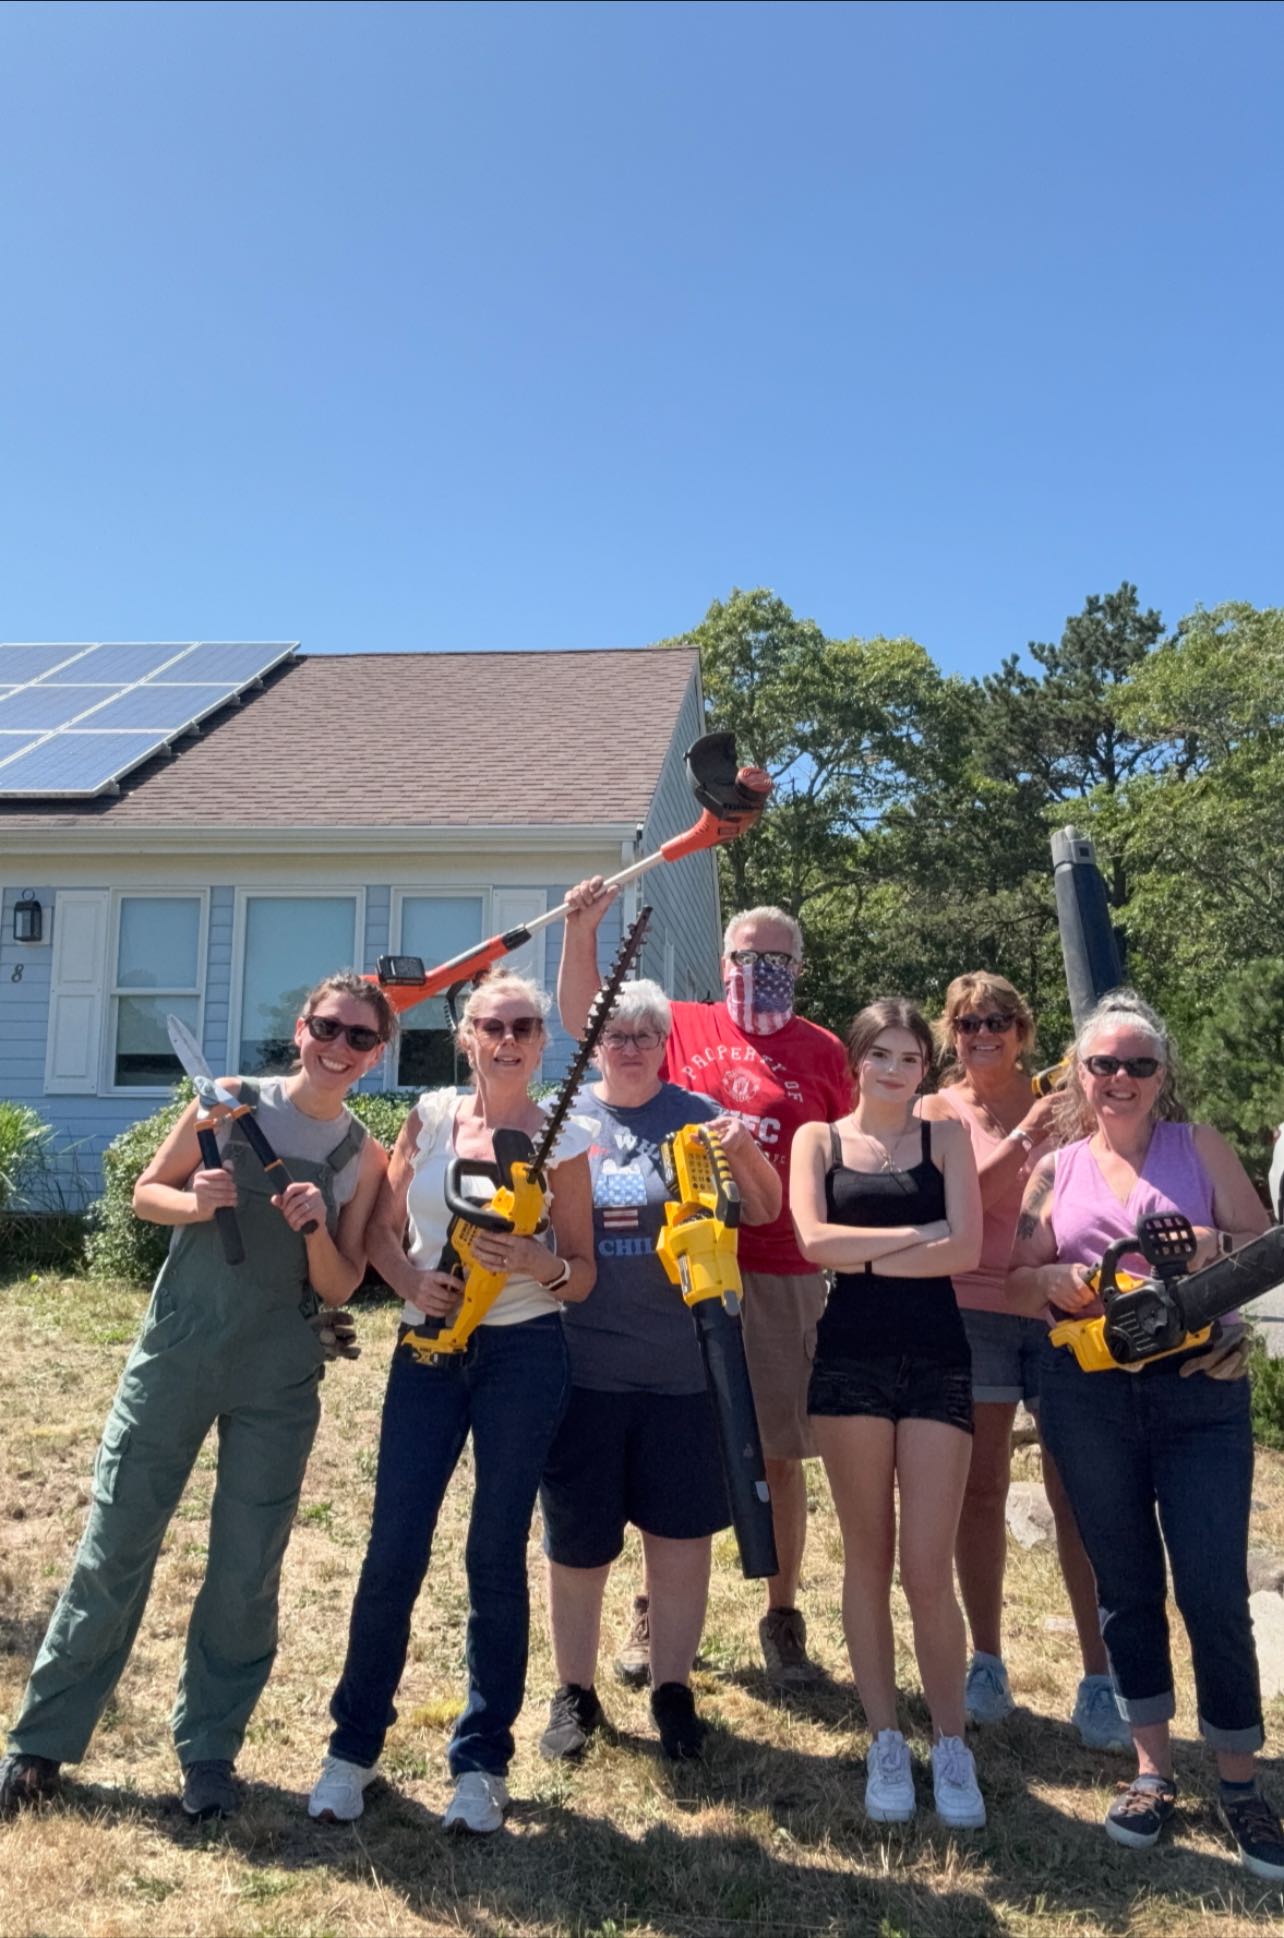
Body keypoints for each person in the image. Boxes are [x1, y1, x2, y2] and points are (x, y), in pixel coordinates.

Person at [0, 971, 392, 1821]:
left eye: (360, 1038)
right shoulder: (224, 1101)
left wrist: (317, 1223)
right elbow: (145, 1193)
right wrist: (195, 1199)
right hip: (177, 1354)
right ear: (301, 1027)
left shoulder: (364, 1154)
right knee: (116, 1542)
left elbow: (343, 1282)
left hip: (278, 1374)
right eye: (330, 1027)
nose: (340, 1047)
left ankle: (210, 1750)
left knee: (246, 1567)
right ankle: (41, 1742)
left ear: (377, 1054)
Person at [307, 970, 595, 1837]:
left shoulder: (566, 1135)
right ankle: (351, 1747)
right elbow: (377, 1235)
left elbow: (582, 1274)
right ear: (465, 1035)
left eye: (526, 1025)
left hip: (524, 1351)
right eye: (492, 1023)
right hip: (427, 1352)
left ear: (543, 1041)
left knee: (494, 1553)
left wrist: (537, 1264)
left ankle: (482, 1761)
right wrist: (414, 1282)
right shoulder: (430, 1117)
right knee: (394, 1545)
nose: (509, 1038)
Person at [1008, 990, 1284, 1880]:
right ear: (1081, 1076)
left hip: (1200, 1392)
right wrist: (1050, 1277)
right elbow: (1014, 1272)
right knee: (1124, 1581)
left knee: (1211, 1587)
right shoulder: (1056, 1167)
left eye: (1138, 1065)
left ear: (1163, 1076)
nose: (1120, 1079)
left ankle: (1240, 1781)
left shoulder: (1196, 1146)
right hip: (1089, 1393)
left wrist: (1202, 1248)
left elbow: (1262, 1244)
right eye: (1103, 1064)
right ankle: (1152, 1767)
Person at [559, 884, 850, 1689]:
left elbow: (850, 1147)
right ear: (723, 963)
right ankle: (653, 1616)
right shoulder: (679, 1024)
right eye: (745, 957)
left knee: (778, 1451)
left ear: (798, 966)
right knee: (676, 1439)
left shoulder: (825, 1050)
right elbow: (593, 1015)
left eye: (776, 960)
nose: (759, 971)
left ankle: (781, 1612)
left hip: (782, 1267)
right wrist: (582, 930)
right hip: (681, 1267)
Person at [537, 978, 782, 1762]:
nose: (630, 1047)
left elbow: (771, 1209)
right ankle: (574, 1693)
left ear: (663, 1044)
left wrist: (741, 1148)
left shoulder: (699, 1118)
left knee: (678, 1538)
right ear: (595, 1045)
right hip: (584, 1364)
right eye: (615, 1034)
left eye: (645, 1034)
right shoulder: (563, 1120)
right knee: (579, 1544)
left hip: (685, 1367)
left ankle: (674, 1690)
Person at [790, 999, 987, 1829]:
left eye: (910, 1059)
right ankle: (884, 1739)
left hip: (937, 1362)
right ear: (857, 1061)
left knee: (925, 1567)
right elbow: (809, 1240)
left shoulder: (946, 1139)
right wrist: (918, 1234)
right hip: (849, 1363)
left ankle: (951, 1741)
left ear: (925, 1070)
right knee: (866, 1560)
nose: (895, 1071)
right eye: (882, 1056)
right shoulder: (820, 1142)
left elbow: (968, 1252)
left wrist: (865, 1251)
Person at [921, 973, 1126, 1749]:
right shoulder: (938, 1110)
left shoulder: (1075, 1103)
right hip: (971, 1310)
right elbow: (955, 1208)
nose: (984, 1033)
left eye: (999, 1020)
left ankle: (1100, 1675)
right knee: (982, 1486)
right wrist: (1025, 1137)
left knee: (1078, 1489)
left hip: (1063, 1306)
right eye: (969, 1021)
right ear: (951, 1032)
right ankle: (986, 1660)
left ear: (1024, 1031)